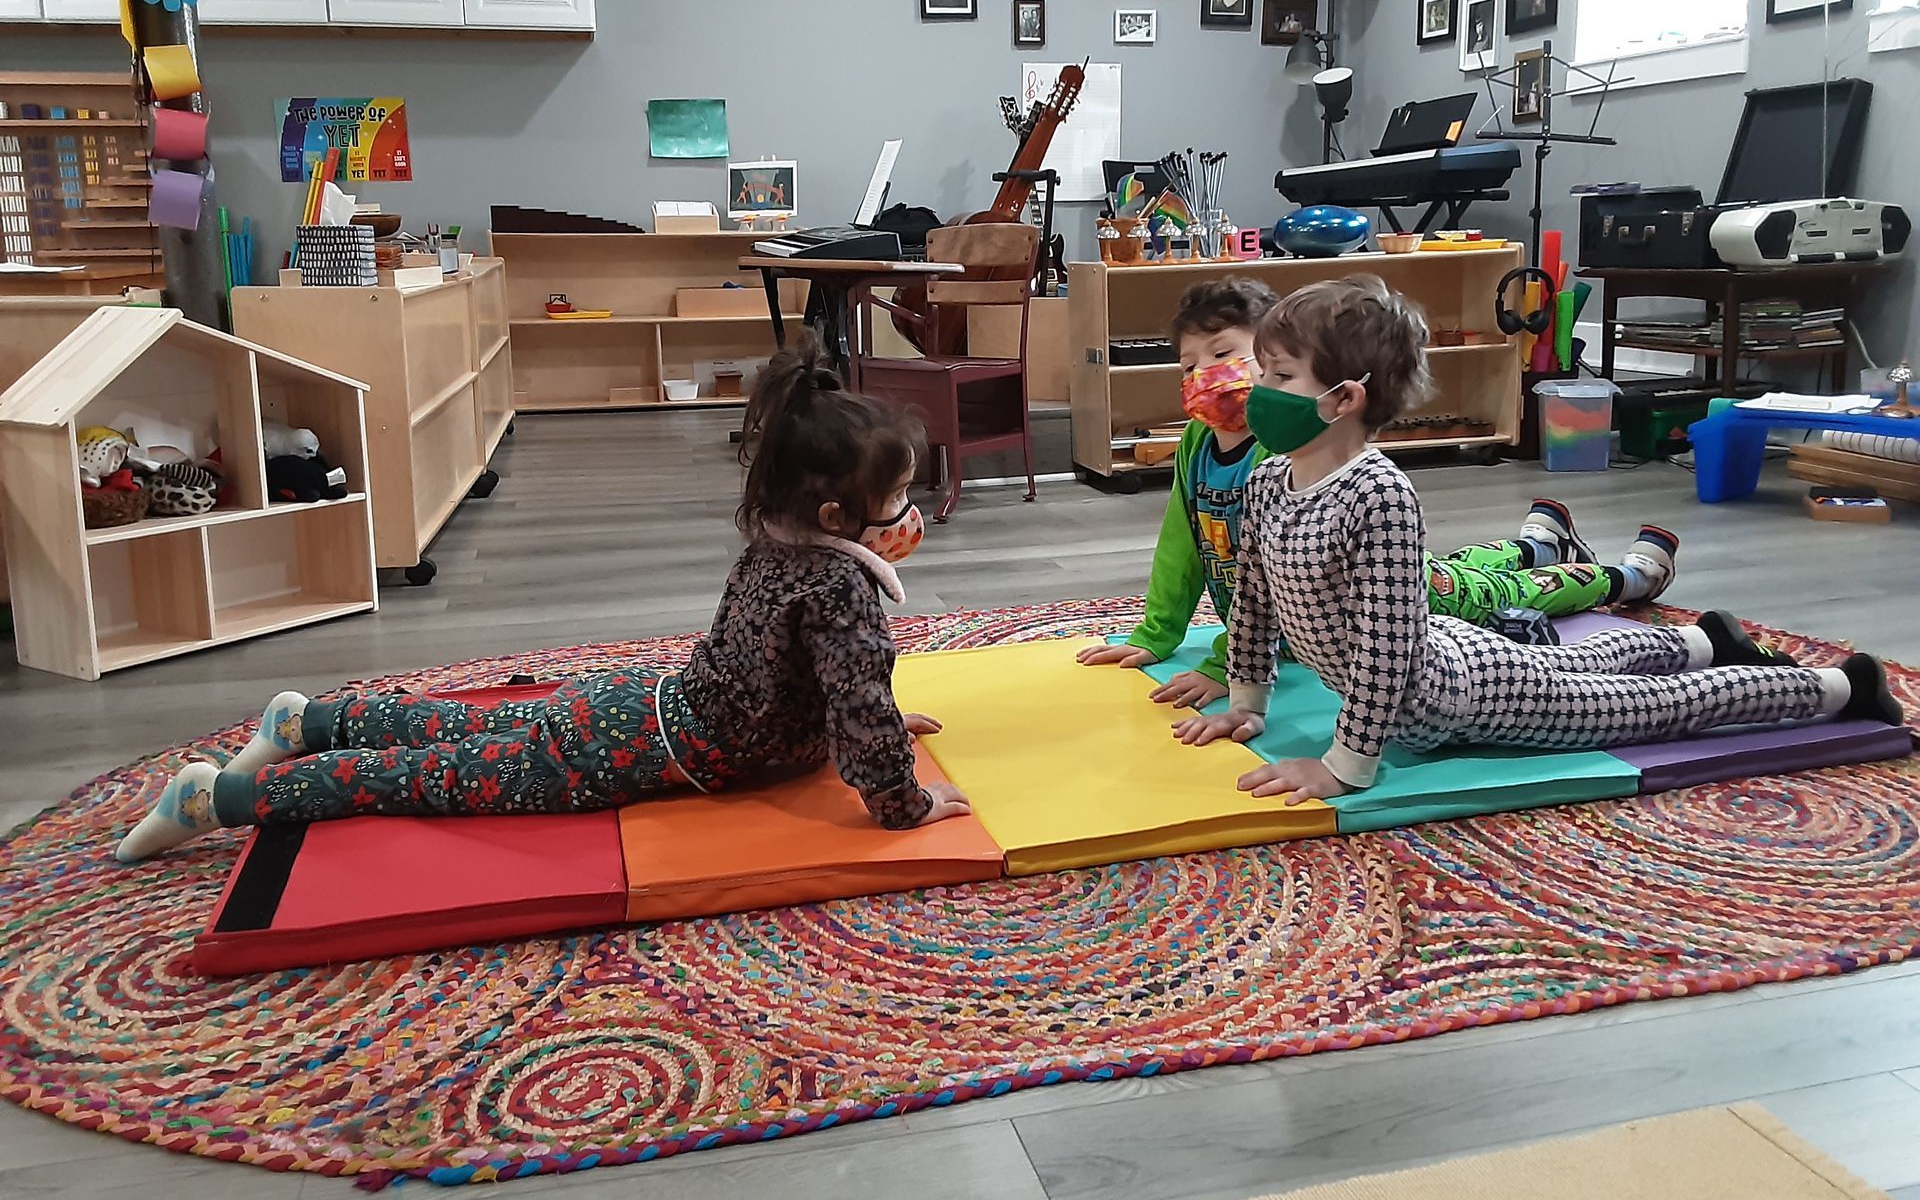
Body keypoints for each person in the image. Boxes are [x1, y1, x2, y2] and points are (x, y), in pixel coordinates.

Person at [116, 335, 971, 862]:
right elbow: (854, 696)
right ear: (836, 515)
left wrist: (872, 724)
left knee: (468, 727)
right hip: (637, 751)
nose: (907, 516)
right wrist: (903, 798)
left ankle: (306, 722)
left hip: (647, 703)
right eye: (897, 501)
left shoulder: (777, 543)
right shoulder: (841, 589)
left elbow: (805, 682)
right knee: (435, 779)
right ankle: (214, 799)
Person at [1173, 274, 1905, 801]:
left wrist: (1345, 765)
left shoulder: (1378, 492)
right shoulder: (1270, 482)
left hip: (1459, 696)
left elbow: (1388, 650)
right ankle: (1701, 639)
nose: (1256, 390)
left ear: (1345, 398)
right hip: (1452, 657)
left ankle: (1839, 686)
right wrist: (1247, 698)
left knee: (1651, 710)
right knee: (1585, 662)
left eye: (1279, 375)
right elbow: (1255, 602)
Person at [1078, 278, 1681, 708]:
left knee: (1491, 592)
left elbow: (1301, 592)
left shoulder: (1286, 443)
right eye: (1188, 364)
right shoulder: (1196, 444)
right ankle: (1536, 542)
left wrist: (1222, 667)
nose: (1202, 374)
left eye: (1224, 355)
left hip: (1388, 610)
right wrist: (1157, 635)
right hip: (1314, 608)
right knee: (1461, 565)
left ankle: (1627, 579)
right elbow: (1184, 542)